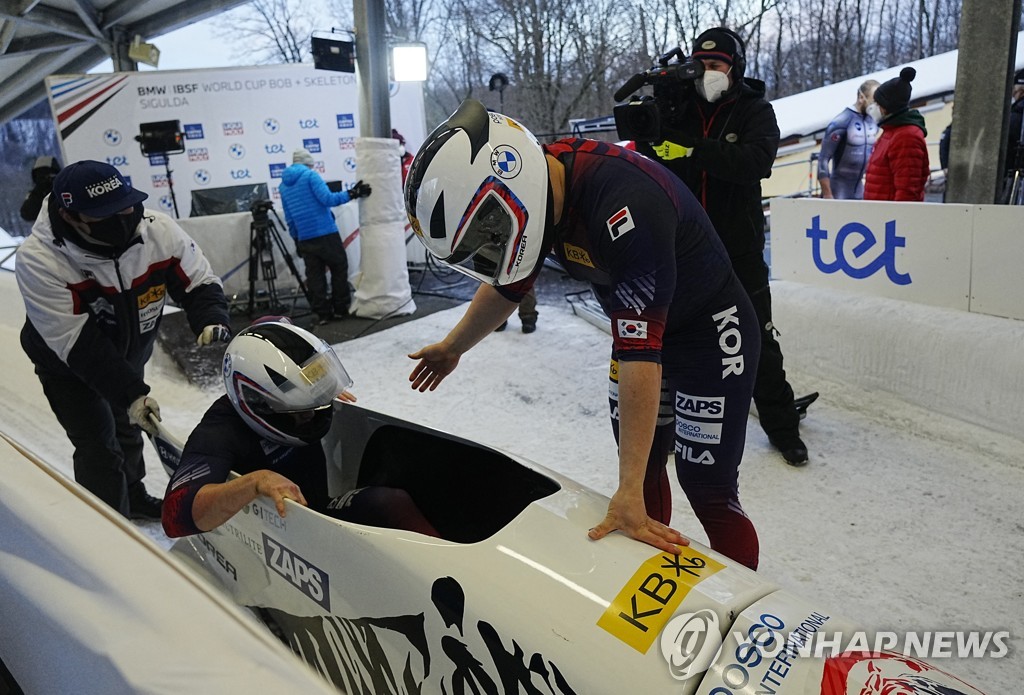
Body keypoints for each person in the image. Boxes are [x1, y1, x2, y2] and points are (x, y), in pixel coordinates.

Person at [404, 99, 761, 569]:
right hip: (640, 333)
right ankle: (653, 585)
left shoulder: (625, 202)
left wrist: (627, 491)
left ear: (510, 186)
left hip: (711, 334)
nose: (490, 250)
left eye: (489, 235)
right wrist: (454, 348)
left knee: (706, 486)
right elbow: (511, 285)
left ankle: (749, 621)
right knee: (646, 465)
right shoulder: (539, 189)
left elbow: (641, 354)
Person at [15, 160, 231, 520]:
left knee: (129, 430)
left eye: (125, 205)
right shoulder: (40, 260)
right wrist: (131, 392)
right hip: (67, 365)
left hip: (130, 350)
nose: (122, 217)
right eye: (105, 215)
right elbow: (77, 344)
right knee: (98, 444)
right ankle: (109, 523)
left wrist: (210, 317)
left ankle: (133, 494)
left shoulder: (157, 230)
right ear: (71, 217)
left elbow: (198, 279)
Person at [637, 27, 809, 466]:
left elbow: (756, 163)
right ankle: (671, 423)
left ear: (735, 68)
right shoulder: (678, 107)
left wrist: (693, 150)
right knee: (676, 335)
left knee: (757, 338)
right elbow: (647, 157)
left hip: (740, 248)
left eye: (717, 65)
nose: (708, 73)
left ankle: (782, 427)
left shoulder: (755, 109)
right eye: (702, 65)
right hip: (684, 248)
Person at [162, 319, 439, 538]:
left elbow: (276, 324)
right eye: (301, 409)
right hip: (287, 534)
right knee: (387, 503)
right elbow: (175, 518)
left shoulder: (292, 392)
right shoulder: (218, 432)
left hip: (315, 509)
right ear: (258, 402)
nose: (313, 415)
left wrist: (316, 390)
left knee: (398, 498)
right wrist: (253, 482)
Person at [278, 148, 372, 325]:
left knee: (315, 276)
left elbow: (289, 217)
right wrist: (352, 193)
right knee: (338, 267)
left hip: (304, 237)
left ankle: (321, 313)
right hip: (325, 232)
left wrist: (296, 238)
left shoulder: (283, 186)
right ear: (308, 163)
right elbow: (328, 199)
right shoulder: (310, 176)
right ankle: (340, 309)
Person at [864, 67, 930, 201]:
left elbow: (907, 190)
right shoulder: (891, 131)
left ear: (887, 106)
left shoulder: (906, 137)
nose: (873, 107)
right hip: (878, 216)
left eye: (877, 103)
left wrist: (897, 220)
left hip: (889, 219)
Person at [817, 80, 880, 199]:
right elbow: (823, 159)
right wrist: (827, 193)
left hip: (860, 189)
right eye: (874, 101)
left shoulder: (873, 121)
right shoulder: (842, 121)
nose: (876, 106)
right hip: (838, 190)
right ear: (862, 97)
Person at [19, 155, 61, 222]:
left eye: (49, 176)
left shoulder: (62, 189)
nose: (44, 180)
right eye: (41, 176)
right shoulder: (35, 193)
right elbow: (26, 214)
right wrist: (38, 191)